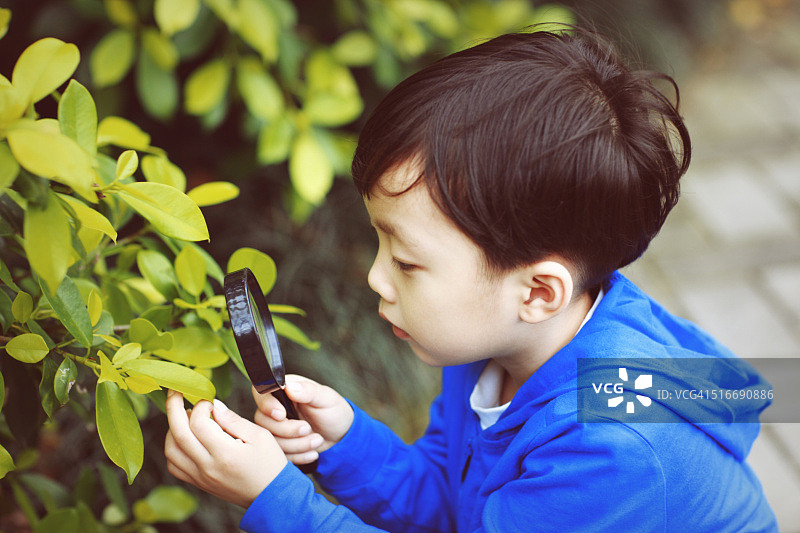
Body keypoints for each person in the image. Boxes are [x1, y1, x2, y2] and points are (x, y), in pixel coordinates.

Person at [164, 27, 778, 532]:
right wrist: (349, 443)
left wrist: (272, 498)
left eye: (406, 262)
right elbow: (453, 506)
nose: (376, 277)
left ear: (537, 292)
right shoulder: (499, 343)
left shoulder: (606, 448)